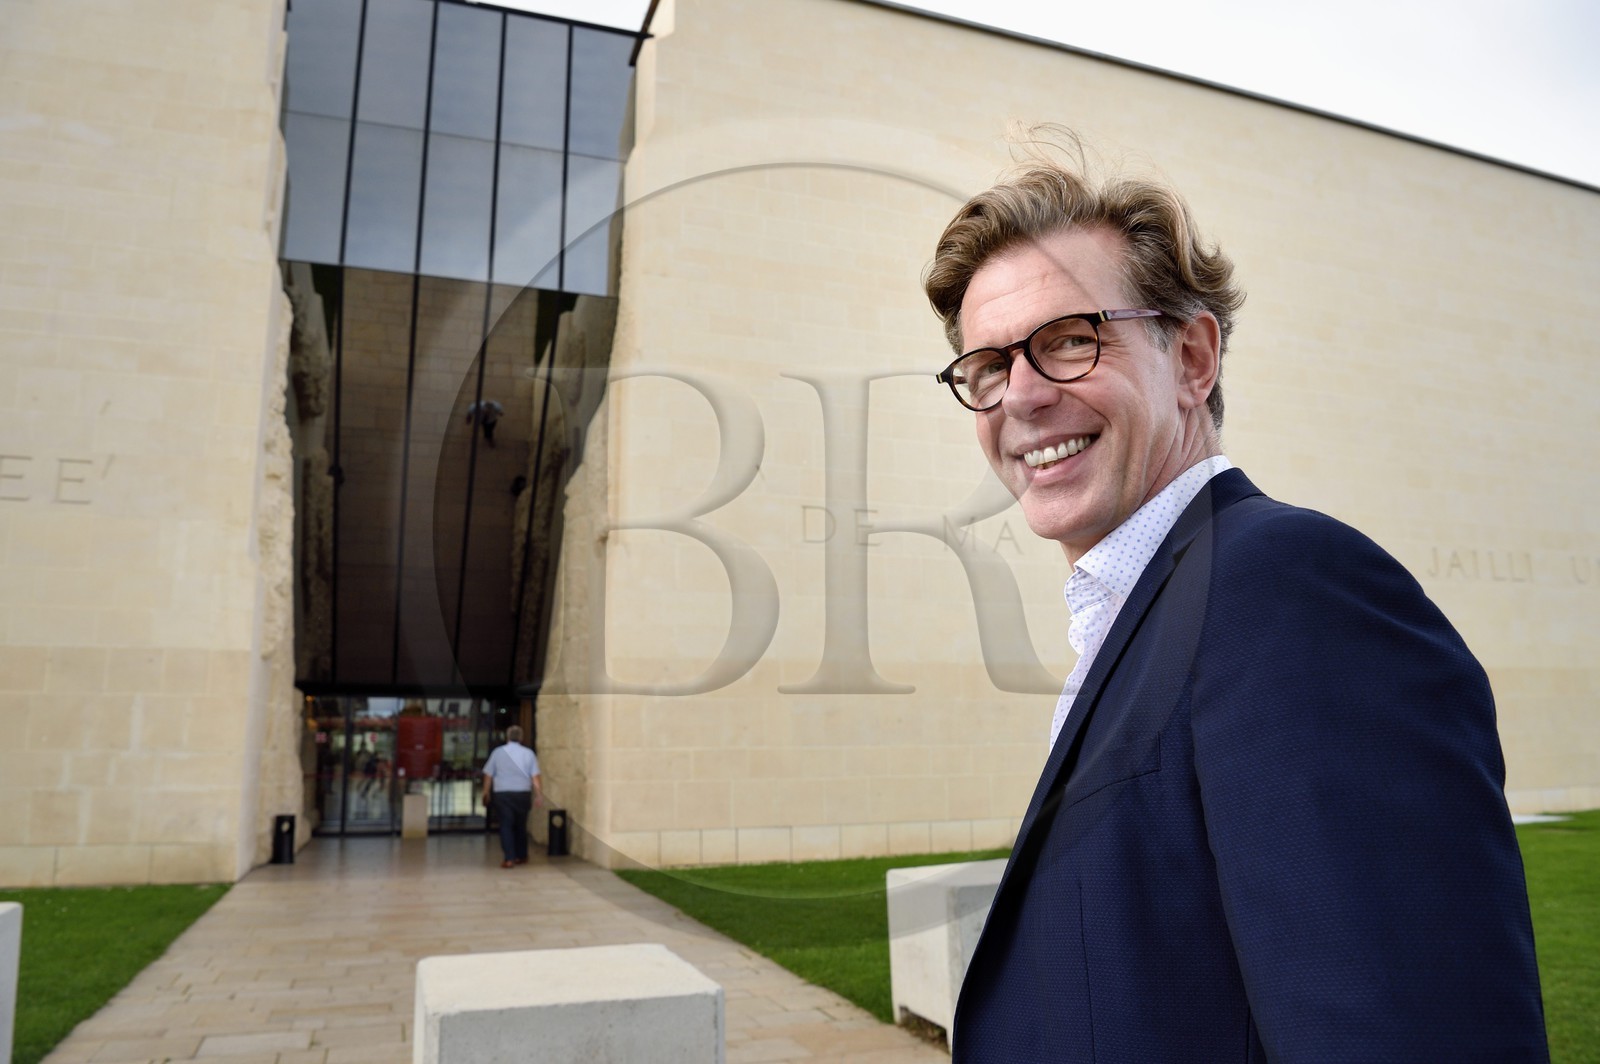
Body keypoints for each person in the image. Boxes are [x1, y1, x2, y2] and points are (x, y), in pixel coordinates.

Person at [925, 145, 1547, 1061]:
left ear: (1193, 357)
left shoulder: (1287, 590)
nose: (1020, 395)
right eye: (986, 364)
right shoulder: (1143, 616)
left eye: (1068, 341)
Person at [481, 725, 543, 868]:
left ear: (507, 737)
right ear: (521, 738)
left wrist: (486, 792)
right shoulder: (528, 753)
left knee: (506, 825)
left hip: (503, 794)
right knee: (521, 825)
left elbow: (488, 775)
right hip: (522, 793)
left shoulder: (497, 753)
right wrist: (539, 795)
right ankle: (521, 856)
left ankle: (509, 858)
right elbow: (535, 777)